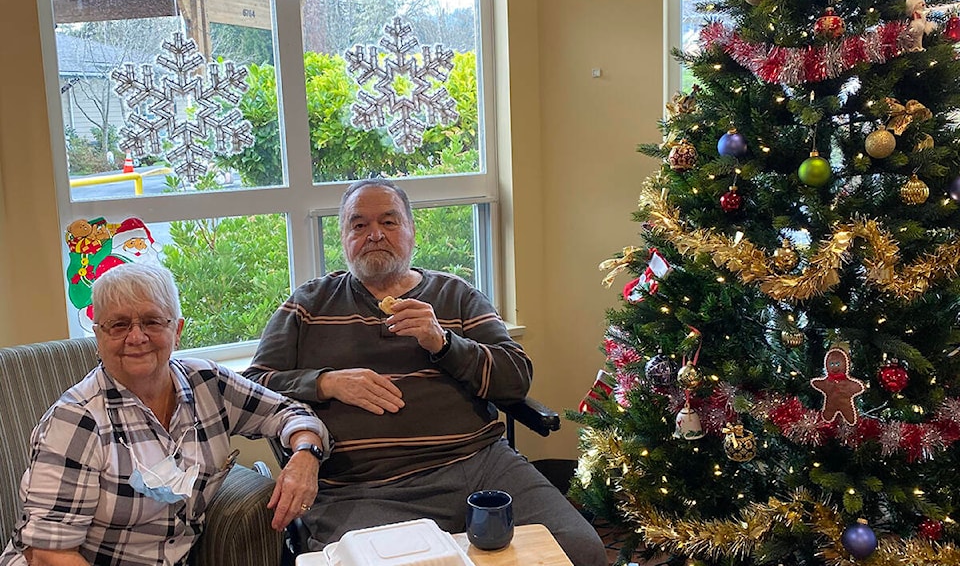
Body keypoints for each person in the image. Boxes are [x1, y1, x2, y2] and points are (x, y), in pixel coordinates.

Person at [244, 178, 607, 566]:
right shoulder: (309, 305)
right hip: (362, 487)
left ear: (411, 231)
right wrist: (325, 383)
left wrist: (444, 343)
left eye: (389, 222)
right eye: (359, 225)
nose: (374, 235)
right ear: (343, 237)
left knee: (579, 550)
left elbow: (515, 378)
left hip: (478, 467)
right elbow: (251, 390)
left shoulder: (456, 294)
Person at [0, 263, 332, 566]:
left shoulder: (208, 383)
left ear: (177, 329)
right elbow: (47, 553)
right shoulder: (77, 420)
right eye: (118, 325)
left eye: (152, 321)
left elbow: (288, 411)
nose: (136, 337)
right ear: (99, 336)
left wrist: (305, 456)